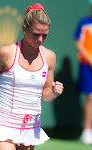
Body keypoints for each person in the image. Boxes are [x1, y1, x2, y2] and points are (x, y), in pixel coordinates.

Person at [0, 3, 64, 150]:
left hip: (31, 125)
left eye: (45, 35)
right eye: (36, 34)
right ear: (25, 29)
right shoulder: (5, 53)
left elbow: (46, 95)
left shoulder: (50, 57)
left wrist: (54, 93)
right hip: (4, 122)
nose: (40, 39)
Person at [74, 1, 92, 145]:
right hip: (87, 65)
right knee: (90, 97)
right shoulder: (84, 23)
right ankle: (87, 130)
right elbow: (79, 44)